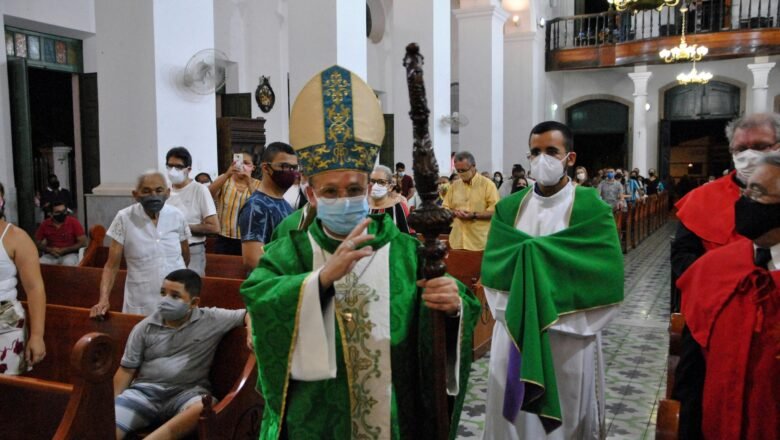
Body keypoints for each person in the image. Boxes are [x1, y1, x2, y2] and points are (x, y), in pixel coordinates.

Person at [240, 65, 480, 439]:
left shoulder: (406, 252)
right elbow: (260, 301)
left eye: (353, 189)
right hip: (314, 417)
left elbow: (446, 314)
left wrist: (455, 307)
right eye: (331, 192)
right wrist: (320, 281)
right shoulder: (289, 253)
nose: (344, 199)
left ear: (369, 189)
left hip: (392, 412)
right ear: (311, 194)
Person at [480, 121, 623, 439]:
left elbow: (604, 274)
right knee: (511, 419)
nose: (541, 159)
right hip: (516, 331)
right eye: (534, 152)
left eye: (550, 152)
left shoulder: (592, 210)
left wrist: (537, 270)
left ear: (569, 158)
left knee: (564, 419)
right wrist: (526, 306)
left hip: (566, 333)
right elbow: (494, 270)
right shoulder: (508, 210)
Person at [671, 112, 780, 439]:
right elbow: (683, 256)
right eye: (740, 148)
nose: (748, 155)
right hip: (715, 309)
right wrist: (720, 284)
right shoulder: (705, 200)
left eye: (759, 146)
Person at [113, 269, 250, 439]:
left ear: (193, 303)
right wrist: (110, 405)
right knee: (107, 427)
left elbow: (247, 314)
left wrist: (251, 331)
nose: (165, 300)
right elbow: (126, 370)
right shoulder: (145, 327)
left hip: (186, 393)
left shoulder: (211, 319)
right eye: (163, 293)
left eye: (175, 296)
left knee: (205, 406)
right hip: (144, 393)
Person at [90, 171, 191, 317]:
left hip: (176, 297)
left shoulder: (177, 215)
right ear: (135, 194)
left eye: (159, 190)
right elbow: (111, 265)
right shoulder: (124, 218)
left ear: (168, 193)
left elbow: (185, 254)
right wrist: (103, 299)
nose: (154, 196)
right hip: (141, 298)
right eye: (146, 191)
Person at [0, 182, 46, 375]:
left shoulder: (15, 237)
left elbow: (35, 288)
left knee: (8, 394)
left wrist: (36, 335)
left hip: (5, 323)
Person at [237, 142, 297, 271]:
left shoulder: (285, 204)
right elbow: (252, 260)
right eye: (284, 166)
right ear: (265, 168)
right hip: (270, 285)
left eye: (294, 167)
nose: (290, 172)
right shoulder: (256, 206)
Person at [165, 147, 219, 277]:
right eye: (170, 166)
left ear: (188, 170)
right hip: (167, 250)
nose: (173, 171)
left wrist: (183, 227)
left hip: (193, 248)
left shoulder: (199, 190)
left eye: (178, 167)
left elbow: (214, 227)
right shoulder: (164, 191)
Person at [443, 151, 500, 251]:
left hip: (479, 242)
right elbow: (445, 208)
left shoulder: (488, 185)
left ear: (473, 166)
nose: (461, 174)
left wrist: (473, 215)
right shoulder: (454, 186)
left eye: (464, 170)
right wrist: (454, 213)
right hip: (457, 241)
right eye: (458, 171)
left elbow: (495, 212)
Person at [209, 151, 261, 255]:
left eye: (246, 163)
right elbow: (208, 194)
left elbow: (260, 205)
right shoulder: (225, 180)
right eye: (239, 162)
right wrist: (227, 174)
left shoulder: (258, 184)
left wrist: (248, 182)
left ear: (253, 167)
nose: (242, 165)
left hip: (248, 239)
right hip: (224, 238)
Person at [35, 200, 87, 266]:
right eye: (58, 212)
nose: (62, 214)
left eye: (64, 211)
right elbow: (37, 243)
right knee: (39, 263)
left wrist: (64, 250)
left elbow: (83, 242)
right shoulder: (45, 224)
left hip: (70, 254)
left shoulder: (73, 222)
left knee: (68, 263)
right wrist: (49, 250)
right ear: (50, 214)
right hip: (51, 254)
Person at [368, 165, 412, 234]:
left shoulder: (398, 207)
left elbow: (407, 236)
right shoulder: (364, 206)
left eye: (381, 182)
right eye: (373, 181)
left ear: (390, 187)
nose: (375, 185)